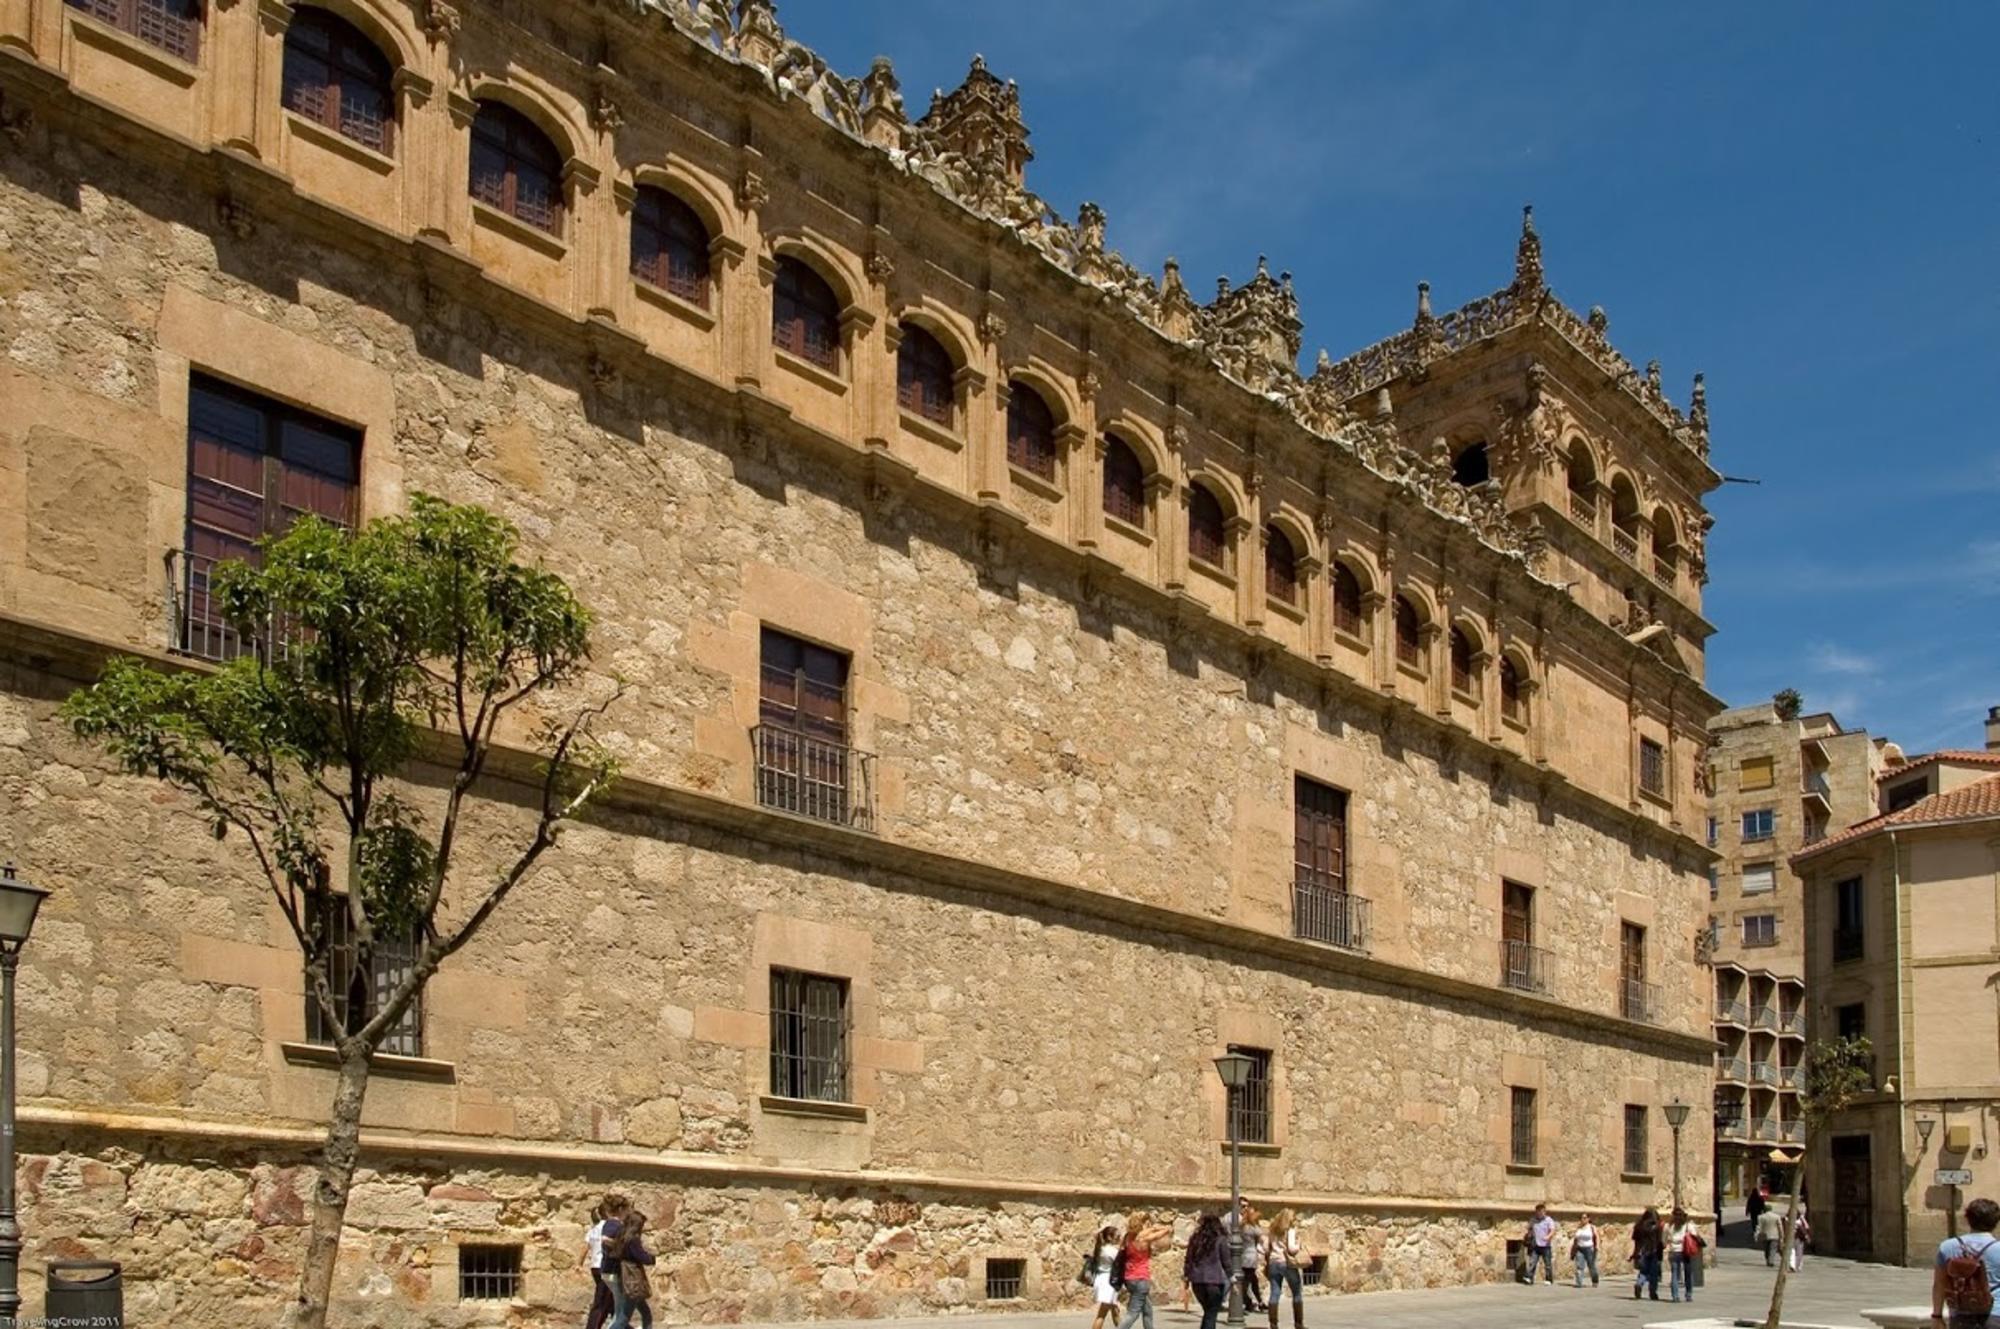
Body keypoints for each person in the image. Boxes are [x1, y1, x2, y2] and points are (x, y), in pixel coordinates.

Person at [1933, 1197, 2000, 1328]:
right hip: (1995, 1315)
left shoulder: (1947, 1247)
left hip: (1960, 1315)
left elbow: (1939, 1284)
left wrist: (1937, 1316)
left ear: (1967, 1219)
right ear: (1996, 1222)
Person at [1116, 1212, 1174, 1329]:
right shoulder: (1145, 1239)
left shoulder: (1127, 1238)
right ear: (1140, 1227)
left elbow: (1145, 1232)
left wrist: (1152, 1227)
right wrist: (1165, 1227)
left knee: (1147, 1309)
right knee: (1133, 1313)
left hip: (1129, 1278)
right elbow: (1162, 1233)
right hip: (1141, 1279)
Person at [591, 1193, 631, 1329]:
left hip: (601, 1267)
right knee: (604, 1305)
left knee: (612, 1306)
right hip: (611, 1270)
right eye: (627, 1210)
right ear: (620, 1210)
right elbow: (611, 1243)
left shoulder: (604, 1225)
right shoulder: (615, 1225)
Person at [1183, 1214, 1230, 1329]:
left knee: (1208, 1312)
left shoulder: (1195, 1239)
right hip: (1214, 1282)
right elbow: (1226, 1262)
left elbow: (1189, 1259)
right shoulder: (1220, 1240)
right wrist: (1233, 1277)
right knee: (1211, 1313)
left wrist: (1186, 1276)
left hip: (1197, 1281)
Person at [614, 1209, 657, 1329]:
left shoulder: (621, 1237)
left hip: (625, 1277)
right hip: (633, 1279)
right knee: (624, 1318)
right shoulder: (632, 1240)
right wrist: (652, 1258)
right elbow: (641, 1256)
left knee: (645, 1312)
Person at [1261, 1208, 1304, 1329]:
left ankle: (1273, 1324)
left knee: (1275, 1292)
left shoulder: (1272, 1230)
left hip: (1273, 1262)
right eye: (1293, 1218)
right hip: (1286, 1263)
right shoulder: (1289, 1231)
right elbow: (1291, 1248)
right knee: (1297, 1292)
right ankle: (1298, 1323)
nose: (1295, 1220)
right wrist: (1298, 1244)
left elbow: (1265, 1247)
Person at [1088, 1224, 1123, 1329]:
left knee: (1115, 1309)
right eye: (1117, 1236)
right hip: (1109, 1282)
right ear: (1109, 1237)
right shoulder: (1111, 1251)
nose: (1119, 1238)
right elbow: (1121, 1264)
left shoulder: (1100, 1248)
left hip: (1102, 1280)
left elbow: (1096, 1235)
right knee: (1102, 1314)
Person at [1666, 1205, 1700, 1303]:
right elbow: (1695, 1236)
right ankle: (1688, 1294)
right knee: (1688, 1273)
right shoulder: (1688, 1226)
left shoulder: (1669, 1226)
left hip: (1673, 1251)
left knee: (1674, 1274)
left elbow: (1665, 1240)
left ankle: (1675, 1296)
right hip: (1685, 1251)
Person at [1630, 1207, 1663, 1301]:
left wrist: (1635, 1253)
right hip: (1654, 1251)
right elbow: (1660, 1241)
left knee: (1643, 1271)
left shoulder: (1639, 1226)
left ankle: (1639, 1283)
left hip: (1643, 1251)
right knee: (1654, 1274)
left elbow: (1636, 1241)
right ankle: (1653, 1292)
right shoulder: (1657, 1226)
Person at [1237, 1206, 1265, 1311]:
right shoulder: (1252, 1228)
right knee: (1247, 1281)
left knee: (1253, 1280)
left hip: (1243, 1255)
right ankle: (1247, 1302)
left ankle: (1258, 1301)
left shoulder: (1242, 1226)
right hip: (1251, 1256)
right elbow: (1261, 1237)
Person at [1525, 1203, 1556, 1286]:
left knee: (1547, 1264)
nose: (1540, 1213)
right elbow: (1529, 1229)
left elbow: (1552, 1230)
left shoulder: (1549, 1220)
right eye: (1538, 1212)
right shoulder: (1533, 1220)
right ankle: (1530, 1278)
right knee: (1532, 1262)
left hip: (1546, 1245)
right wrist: (1529, 1234)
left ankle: (1548, 1279)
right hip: (1535, 1244)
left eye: (1541, 1211)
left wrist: (1548, 1236)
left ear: (1544, 1211)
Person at [1569, 1212, 1599, 1288]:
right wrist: (1573, 1250)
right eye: (1581, 1218)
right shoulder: (1579, 1228)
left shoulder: (1592, 1227)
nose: (1583, 1219)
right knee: (1579, 1266)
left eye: (1585, 1218)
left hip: (1589, 1248)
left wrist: (1597, 1246)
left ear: (1588, 1219)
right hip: (1579, 1249)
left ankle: (1595, 1281)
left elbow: (1597, 1237)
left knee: (1591, 1266)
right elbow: (1576, 1239)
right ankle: (1579, 1283)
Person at [1791, 1203, 1812, 1273]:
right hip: (1798, 1239)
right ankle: (1797, 1266)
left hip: (1793, 1238)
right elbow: (1806, 1227)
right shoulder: (1800, 1220)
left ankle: (1793, 1265)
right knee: (1798, 1253)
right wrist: (1807, 1236)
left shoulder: (1788, 1219)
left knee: (1792, 1252)